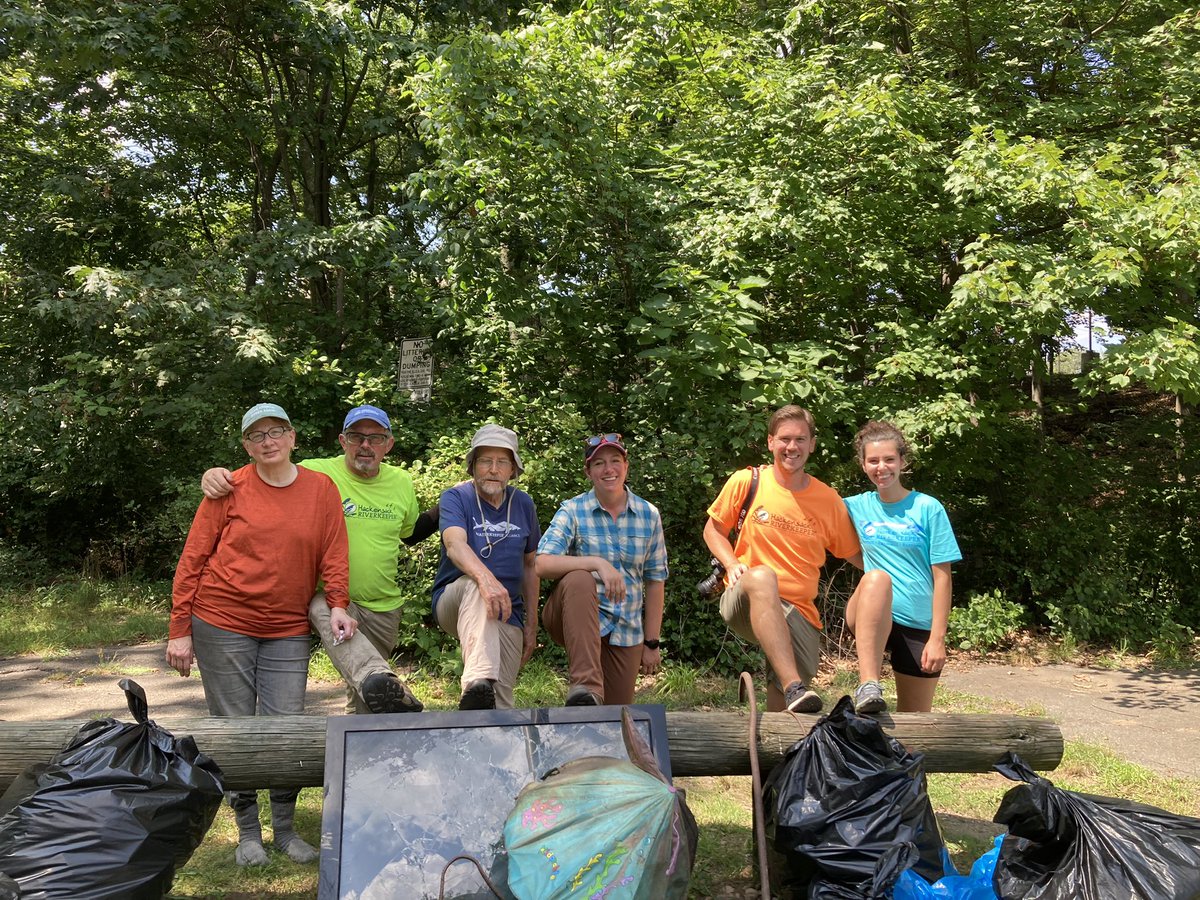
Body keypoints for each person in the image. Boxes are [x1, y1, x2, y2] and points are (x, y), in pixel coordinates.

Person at [168, 402, 350, 866]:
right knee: (234, 728)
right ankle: (248, 832)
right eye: (257, 435)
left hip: (287, 626)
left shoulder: (321, 488)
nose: (268, 441)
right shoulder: (228, 488)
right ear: (247, 446)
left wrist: (339, 604)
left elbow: (334, 551)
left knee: (285, 727)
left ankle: (286, 831)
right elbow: (193, 559)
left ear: (292, 438)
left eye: (277, 432)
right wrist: (179, 629)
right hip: (221, 621)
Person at [201, 404, 433, 715]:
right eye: (356, 437)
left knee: (371, 699)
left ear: (388, 444)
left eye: (376, 438)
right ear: (342, 441)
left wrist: (454, 501)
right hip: (333, 600)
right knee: (356, 656)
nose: (365, 445)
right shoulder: (318, 473)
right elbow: (271, 464)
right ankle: (374, 677)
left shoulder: (402, 482)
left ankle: (361, 752)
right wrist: (214, 475)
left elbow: (410, 532)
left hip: (383, 605)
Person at [704, 405, 862, 713]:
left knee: (788, 719)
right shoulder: (746, 481)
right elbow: (713, 531)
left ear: (812, 444)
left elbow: (853, 553)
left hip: (799, 612)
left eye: (801, 439)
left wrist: (901, 575)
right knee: (764, 577)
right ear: (770, 442)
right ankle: (793, 687)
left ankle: (778, 741)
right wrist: (732, 564)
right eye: (785, 439)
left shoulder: (828, 499)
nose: (792, 447)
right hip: (746, 593)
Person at [536, 433, 668, 707]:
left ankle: (587, 711)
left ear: (626, 466)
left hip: (626, 630)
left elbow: (655, 580)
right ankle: (585, 685)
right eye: (599, 464)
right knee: (579, 578)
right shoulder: (573, 510)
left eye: (615, 461)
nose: (609, 469)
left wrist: (651, 643)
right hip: (573, 618)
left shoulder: (648, 514)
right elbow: (542, 562)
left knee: (615, 717)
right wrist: (597, 563)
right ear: (588, 471)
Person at [843, 421, 962, 714]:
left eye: (889, 459)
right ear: (863, 465)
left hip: (917, 622)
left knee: (915, 720)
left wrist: (937, 638)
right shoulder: (852, 506)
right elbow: (812, 523)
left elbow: (942, 577)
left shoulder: (927, 507)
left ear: (902, 461)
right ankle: (868, 684)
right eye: (873, 460)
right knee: (877, 578)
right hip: (869, 613)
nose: (881, 467)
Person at [432, 424, 541, 710]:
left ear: (513, 470)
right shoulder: (456, 498)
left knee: (501, 702)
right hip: (455, 600)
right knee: (476, 587)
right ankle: (477, 680)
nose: (493, 469)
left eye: (502, 462)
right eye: (485, 461)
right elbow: (455, 544)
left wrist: (531, 623)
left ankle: (483, 708)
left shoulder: (524, 504)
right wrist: (486, 578)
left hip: (509, 611)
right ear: (472, 466)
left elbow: (531, 567)